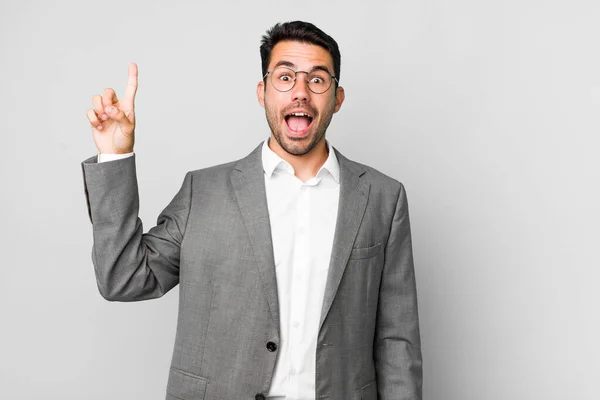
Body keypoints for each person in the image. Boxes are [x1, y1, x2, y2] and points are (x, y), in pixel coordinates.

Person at [81, 21, 422, 400]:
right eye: (285, 77)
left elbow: (397, 341)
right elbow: (122, 278)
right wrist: (114, 155)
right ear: (262, 92)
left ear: (337, 98)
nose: (300, 93)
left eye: (317, 80)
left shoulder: (382, 198)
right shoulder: (204, 192)